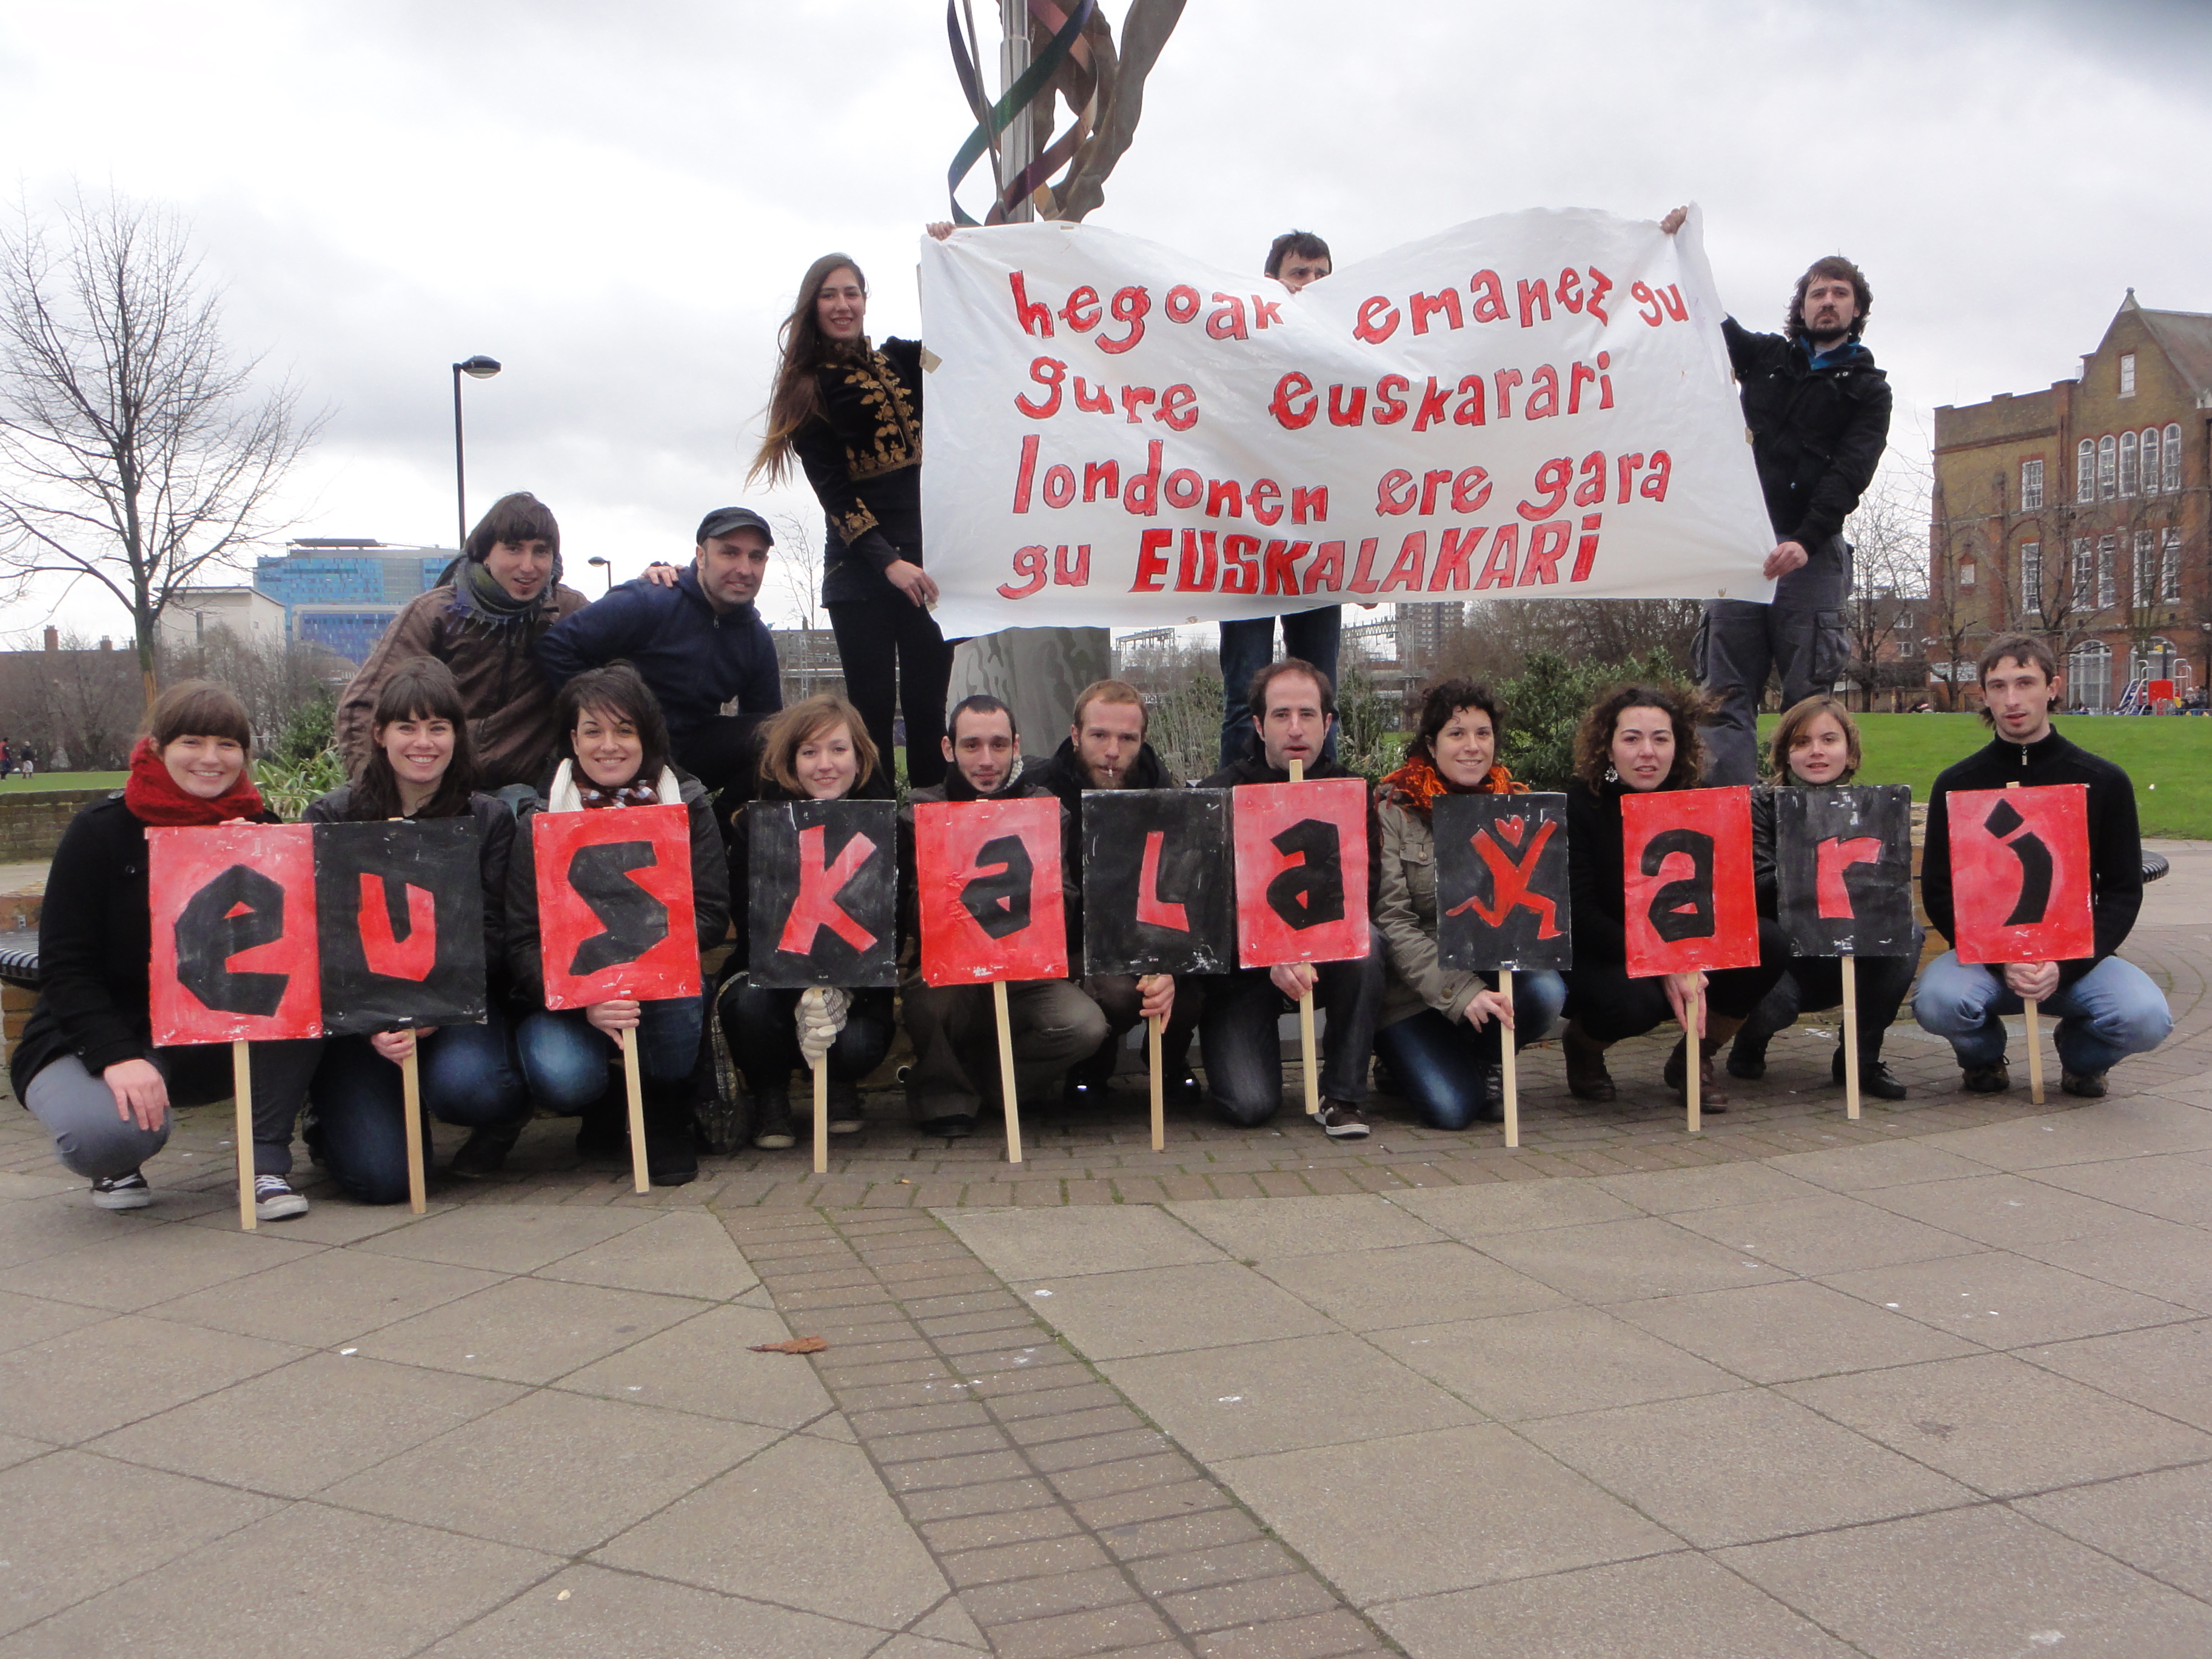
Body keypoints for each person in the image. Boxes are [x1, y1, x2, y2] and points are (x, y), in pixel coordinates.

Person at [10, 682, 321, 1218]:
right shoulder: (101, 833)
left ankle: (266, 1162)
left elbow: (298, 961)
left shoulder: (265, 833)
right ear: (157, 748)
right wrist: (115, 1055)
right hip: (108, 1027)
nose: (210, 758)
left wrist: (257, 860)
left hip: (214, 1028)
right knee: (106, 1135)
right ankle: (116, 1165)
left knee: (290, 1001)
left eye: (227, 745)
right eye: (192, 741)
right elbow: (65, 966)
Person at [1662, 210, 1892, 787]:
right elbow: (1707, 320)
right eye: (1818, 293)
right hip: (1741, 550)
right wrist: (1679, 249)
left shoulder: (1868, 390)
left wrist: (1805, 540)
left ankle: (1808, 823)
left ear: (1857, 310)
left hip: (1810, 555)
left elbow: (1850, 473)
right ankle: (1729, 822)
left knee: (1809, 705)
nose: (1829, 302)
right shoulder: (1766, 359)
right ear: (1803, 305)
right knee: (1721, 699)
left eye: (1841, 294)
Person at [303, 659, 531, 1196]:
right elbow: (322, 935)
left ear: (457, 736)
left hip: (454, 1005)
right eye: (407, 727)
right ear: (380, 735)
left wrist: (431, 1004)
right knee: (384, 1180)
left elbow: (494, 930)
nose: (422, 742)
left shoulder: (489, 819)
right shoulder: (333, 819)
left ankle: (493, 1117)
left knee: (476, 1087)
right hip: (363, 1018)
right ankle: (328, 1120)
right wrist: (372, 1019)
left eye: (438, 727)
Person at [1915, 634, 2171, 1096]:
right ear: (1984, 695)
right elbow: (1938, 889)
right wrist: (1999, 959)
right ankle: (1984, 1058)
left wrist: (2067, 966)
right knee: (1937, 1001)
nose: (2011, 700)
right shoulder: (1958, 784)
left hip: (2074, 958)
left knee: (2146, 1018)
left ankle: (2081, 1057)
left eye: (2025, 682)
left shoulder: (2103, 781)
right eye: (1997, 687)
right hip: (1988, 960)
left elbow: (2122, 891)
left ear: (2053, 687)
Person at [506, 664, 729, 1185]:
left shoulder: (688, 806)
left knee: (682, 988)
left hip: (662, 979)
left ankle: (665, 1110)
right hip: (573, 995)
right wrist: (588, 993)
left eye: (624, 730)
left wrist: (645, 959)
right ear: (572, 740)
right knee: (563, 1075)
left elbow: (713, 912)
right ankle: (606, 1106)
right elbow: (520, 938)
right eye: (593, 731)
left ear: (646, 736)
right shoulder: (538, 820)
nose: (610, 745)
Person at [750, 245, 955, 793]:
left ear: (866, 300)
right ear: (813, 306)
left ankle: (931, 821)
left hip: (929, 563)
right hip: (861, 571)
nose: (842, 304)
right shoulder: (809, 388)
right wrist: (889, 564)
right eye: (829, 295)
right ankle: (880, 821)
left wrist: (949, 251)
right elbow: (835, 496)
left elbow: (955, 335)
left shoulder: (900, 359)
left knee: (928, 703)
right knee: (869, 710)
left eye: (851, 293)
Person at [1557, 683, 1789, 1108]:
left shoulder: (1695, 804)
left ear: (1677, 746)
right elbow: (1582, 914)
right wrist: (1660, 961)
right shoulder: (1581, 806)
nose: (1648, 751)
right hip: (1605, 949)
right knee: (1637, 1002)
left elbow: (1722, 898)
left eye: (1660, 739)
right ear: (1609, 749)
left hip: (1684, 942)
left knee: (1768, 941)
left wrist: (1689, 957)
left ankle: (1694, 1057)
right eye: (1632, 739)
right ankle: (1583, 1047)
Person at [897, 694, 1107, 1138]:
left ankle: (996, 1085)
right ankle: (943, 1094)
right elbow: (912, 914)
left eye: (998, 745)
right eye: (972, 745)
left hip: (1027, 970)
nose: (987, 760)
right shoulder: (921, 812)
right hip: (951, 970)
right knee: (928, 999)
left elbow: (1066, 896)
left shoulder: (1045, 809)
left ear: (1016, 745)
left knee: (1084, 1025)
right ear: (948, 749)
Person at [1194, 659, 1385, 1139]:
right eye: (1281, 715)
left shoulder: (1351, 792)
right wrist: (1267, 953)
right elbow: (1204, 907)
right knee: (1249, 1104)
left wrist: (1308, 945)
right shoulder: (1221, 793)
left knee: (1371, 944)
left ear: (1328, 723)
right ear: (1258, 725)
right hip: (1243, 975)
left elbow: (1367, 891)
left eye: (1307, 714)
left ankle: (1342, 1095)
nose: (1295, 728)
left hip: (1327, 959)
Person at [1372, 680, 1566, 1129]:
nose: (1472, 747)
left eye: (1483, 733)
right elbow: (1393, 922)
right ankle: (1398, 1062)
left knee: (1546, 992)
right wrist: (1461, 991)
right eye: (1457, 734)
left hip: (1488, 976)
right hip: (1413, 994)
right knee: (1453, 1110)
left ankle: (1486, 1057)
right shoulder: (1394, 811)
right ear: (1431, 744)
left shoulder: (1516, 806)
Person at [719, 694, 897, 1150]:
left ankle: (840, 1085)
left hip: (857, 983)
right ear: (790, 760)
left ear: (859, 757)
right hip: (770, 975)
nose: (825, 764)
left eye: (838, 749)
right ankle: (769, 1095)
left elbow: (892, 920)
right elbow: (751, 918)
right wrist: (803, 987)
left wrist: (844, 987)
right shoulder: (755, 827)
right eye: (810, 751)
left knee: (857, 1041)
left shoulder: (885, 825)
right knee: (751, 1011)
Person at [1726, 695, 1917, 1099]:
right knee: (1773, 1008)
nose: (1816, 751)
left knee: (1907, 933)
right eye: (1801, 742)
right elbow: (1757, 885)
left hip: (1846, 957)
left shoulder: (1871, 809)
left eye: (1829, 740)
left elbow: (1886, 899)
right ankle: (1750, 1041)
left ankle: (1860, 1059)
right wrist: (1817, 871)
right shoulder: (1759, 805)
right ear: (1784, 754)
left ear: (1849, 752)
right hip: (1783, 960)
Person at [337, 492, 589, 789]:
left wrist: (653, 585)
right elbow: (362, 707)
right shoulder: (434, 614)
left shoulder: (569, 613)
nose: (528, 565)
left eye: (541, 552)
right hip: (441, 791)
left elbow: (627, 673)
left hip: (534, 792)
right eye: (513, 549)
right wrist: (379, 791)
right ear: (485, 553)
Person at [540, 507, 782, 797]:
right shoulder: (649, 601)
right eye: (730, 553)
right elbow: (556, 646)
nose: (744, 569)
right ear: (702, 557)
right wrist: (600, 710)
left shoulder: (756, 640)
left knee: (780, 737)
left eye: (756, 557)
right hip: (620, 743)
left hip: (690, 751)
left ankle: (723, 828)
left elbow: (769, 725)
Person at [1028, 679, 1188, 1109]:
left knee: (1192, 973)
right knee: (1114, 993)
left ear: (1142, 740)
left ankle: (1169, 1061)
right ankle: (1089, 1064)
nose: (1113, 751)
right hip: (1065, 943)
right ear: (1076, 734)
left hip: (1139, 940)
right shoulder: (1039, 793)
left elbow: (1184, 890)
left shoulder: (1166, 795)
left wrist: (1168, 962)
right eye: (1100, 735)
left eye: (1127, 738)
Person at [1217, 231, 1343, 769]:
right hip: (1246, 547)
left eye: (1322, 275)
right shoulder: (1235, 353)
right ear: (1273, 282)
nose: (1311, 286)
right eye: (1300, 274)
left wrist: (1373, 565)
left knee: (1321, 694)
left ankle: (1333, 813)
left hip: (1321, 552)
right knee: (1244, 692)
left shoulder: (1354, 360)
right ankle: (1232, 811)